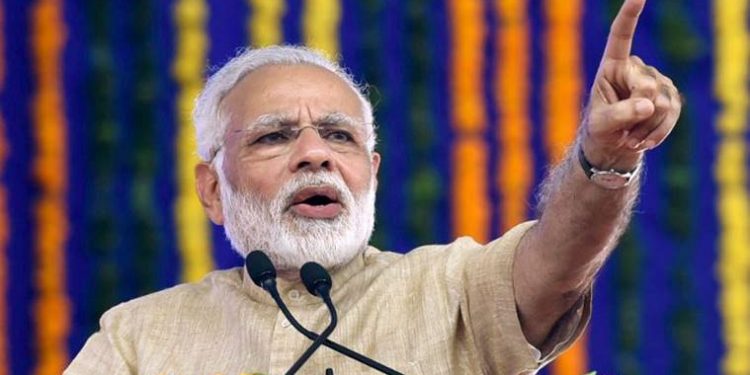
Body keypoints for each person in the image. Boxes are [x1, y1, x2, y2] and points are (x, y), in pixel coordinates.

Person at [65, 0, 680, 373]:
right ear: (211, 190)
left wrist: (604, 157)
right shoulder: (140, 338)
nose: (315, 156)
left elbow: (559, 262)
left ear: (373, 171)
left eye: (339, 136)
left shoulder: (450, 289)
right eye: (273, 137)